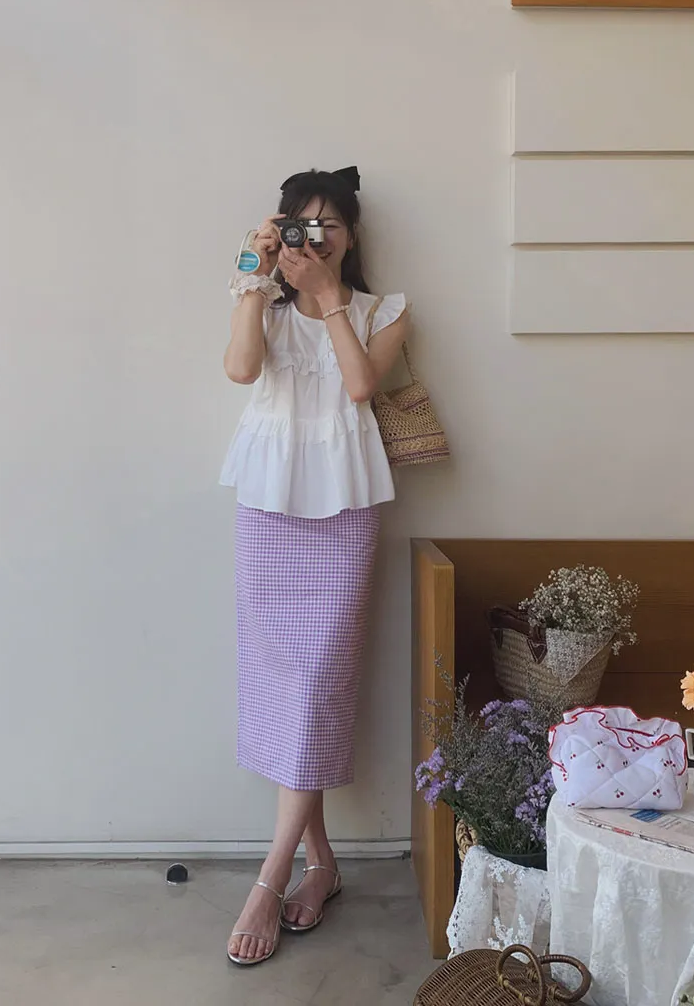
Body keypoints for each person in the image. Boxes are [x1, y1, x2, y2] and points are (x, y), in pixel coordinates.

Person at [219, 165, 410, 967]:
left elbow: (360, 386)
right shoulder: (262, 301)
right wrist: (253, 275)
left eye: (331, 224)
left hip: (343, 510)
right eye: (302, 223)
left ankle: (271, 876)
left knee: (318, 683)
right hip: (268, 506)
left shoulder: (383, 311)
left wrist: (329, 296)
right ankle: (321, 864)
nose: (316, 236)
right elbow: (240, 370)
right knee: (282, 683)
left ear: (352, 235)